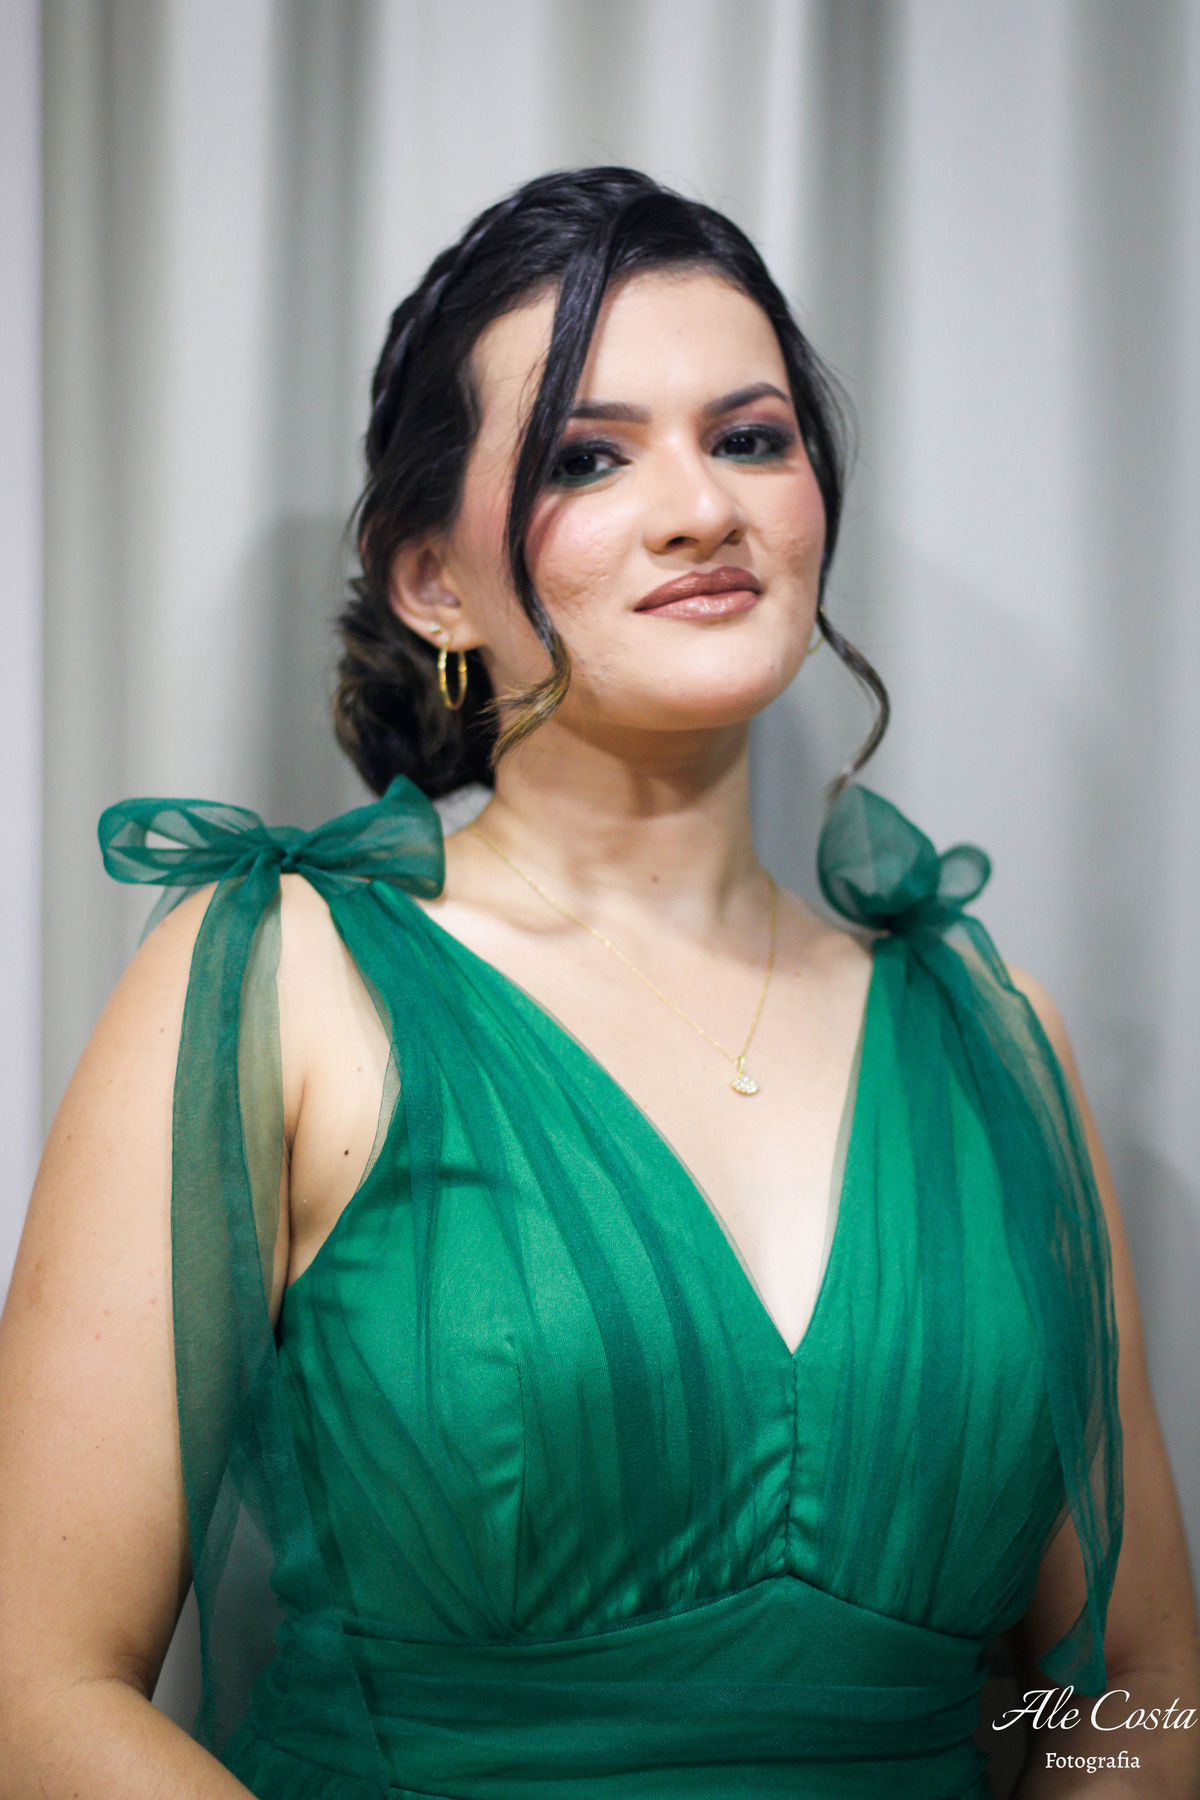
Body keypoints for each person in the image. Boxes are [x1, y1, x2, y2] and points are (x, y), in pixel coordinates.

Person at [0, 167, 1196, 1800]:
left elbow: (1137, 1687)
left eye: (752, 439)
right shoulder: (283, 982)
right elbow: (39, 1688)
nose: (702, 507)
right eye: (588, 456)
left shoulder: (996, 1039)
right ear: (432, 580)